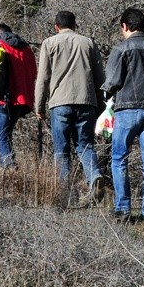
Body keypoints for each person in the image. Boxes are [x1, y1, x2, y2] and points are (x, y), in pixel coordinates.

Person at [102, 8, 144, 226]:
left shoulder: (121, 49)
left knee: (119, 158)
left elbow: (111, 81)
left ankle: (123, 209)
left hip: (127, 109)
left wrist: (106, 96)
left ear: (125, 26)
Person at [35, 11, 108, 203]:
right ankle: (94, 176)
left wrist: (39, 106)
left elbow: (42, 78)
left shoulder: (49, 43)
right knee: (85, 146)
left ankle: (66, 194)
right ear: (75, 25)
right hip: (87, 101)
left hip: (60, 102)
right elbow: (100, 78)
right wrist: (101, 107)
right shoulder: (89, 43)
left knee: (61, 150)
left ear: (55, 26)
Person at [0, 23, 37, 169]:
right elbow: (34, 72)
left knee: (2, 136)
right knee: (6, 134)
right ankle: (5, 166)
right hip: (21, 101)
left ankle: (9, 166)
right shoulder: (26, 48)